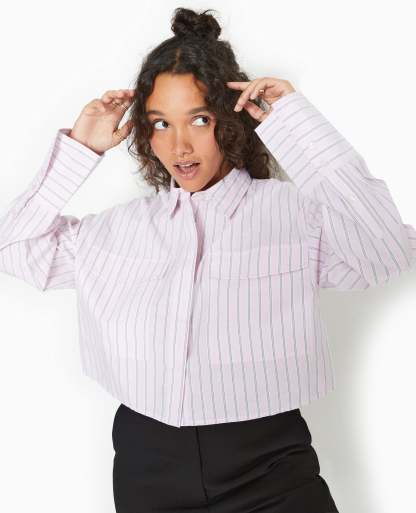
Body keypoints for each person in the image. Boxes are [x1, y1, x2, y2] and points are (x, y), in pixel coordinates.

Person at [1, 6, 415, 513]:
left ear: (229, 117)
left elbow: (385, 252)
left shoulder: (294, 215)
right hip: (147, 470)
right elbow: (15, 249)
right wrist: (80, 150)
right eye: (160, 123)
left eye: (199, 119)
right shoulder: (116, 230)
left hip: (269, 467)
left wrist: (297, 124)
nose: (179, 146)